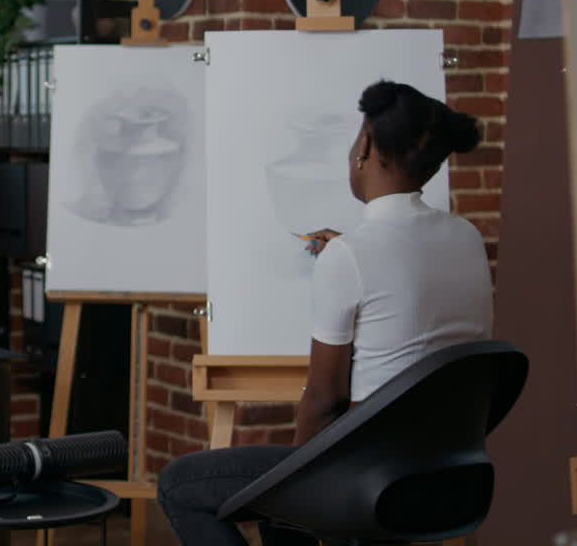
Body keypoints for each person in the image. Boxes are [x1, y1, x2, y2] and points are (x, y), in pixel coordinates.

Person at [158, 79, 493, 546]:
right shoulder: (467, 238)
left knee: (180, 485)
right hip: (448, 477)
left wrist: (292, 494)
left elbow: (323, 400)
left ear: (365, 146)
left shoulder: (351, 256)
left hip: (371, 480)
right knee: (284, 503)